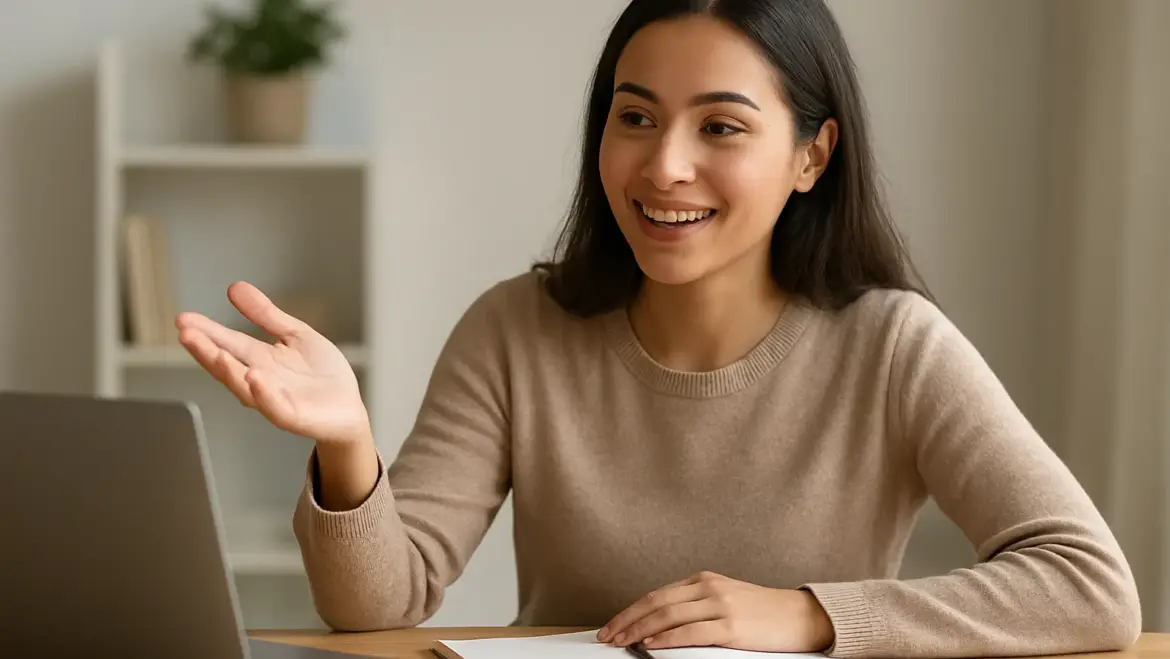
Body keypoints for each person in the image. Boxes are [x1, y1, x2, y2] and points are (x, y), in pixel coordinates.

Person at [175, 0, 1143, 657]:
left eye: (720, 127)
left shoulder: (894, 345)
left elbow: (1090, 583)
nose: (663, 165)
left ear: (813, 154)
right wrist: (347, 442)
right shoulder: (518, 328)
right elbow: (378, 605)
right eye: (634, 117)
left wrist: (806, 613)